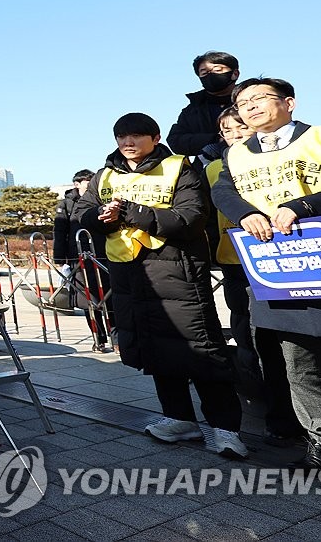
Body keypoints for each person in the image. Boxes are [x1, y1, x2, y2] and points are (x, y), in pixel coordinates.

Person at [74, 113, 246, 459]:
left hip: (177, 270)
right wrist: (100, 217)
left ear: (155, 138)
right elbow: (82, 213)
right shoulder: (104, 175)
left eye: (137, 136)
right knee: (154, 348)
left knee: (202, 349)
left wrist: (129, 212)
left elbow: (191, 218)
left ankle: (226, 429)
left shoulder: (178, 167)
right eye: (122, 136)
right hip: (127, 274)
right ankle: (178, 418)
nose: (128, 143)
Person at [211, 78, 321, 472]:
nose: (251, 107)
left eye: (260, 98)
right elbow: (223, 193)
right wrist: (246, 213)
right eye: (243, 103)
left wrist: (301, 207)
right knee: (298, 361)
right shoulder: (237, 154)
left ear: (289, 103)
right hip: (277, 270)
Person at [203, 106, 302, 447]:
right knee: (251, 339)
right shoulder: (215, 167)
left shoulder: (281, 157)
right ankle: (266, 405)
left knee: (292, 343)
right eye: (227, 132)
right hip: (235, 263)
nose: (234, 136)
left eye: (240, 128)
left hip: (285, 258)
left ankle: (298, 416)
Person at [53, 169, 113, 350]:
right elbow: (60, 230)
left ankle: (116, 337)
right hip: (78, 256)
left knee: (110, 296)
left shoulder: (101, 199)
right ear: (77, 184)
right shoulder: (66, 204)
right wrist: (59, 257)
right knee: (88, 299)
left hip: (103, 253)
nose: (90, 183)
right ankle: (99, 338)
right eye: (87, 181)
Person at [167, 51, 240, 160]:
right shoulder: (193, 109)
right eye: (204, 72)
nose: (211, 75)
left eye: (217, 70)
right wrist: (215, 140)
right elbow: (175, 140)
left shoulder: (250, 100)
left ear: (235, 74)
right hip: (207, 168)